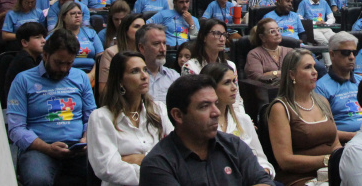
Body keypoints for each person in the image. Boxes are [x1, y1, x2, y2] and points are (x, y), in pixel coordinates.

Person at [138, 75, 273, 186]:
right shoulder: (158, 164)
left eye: (216, 103)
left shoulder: (233, 145)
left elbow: (263, 181)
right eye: (204, 106)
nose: (216, 112)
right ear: (178, 115)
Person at [7, 29, 96, 186]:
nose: (63, 69)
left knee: (103, 171)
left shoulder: (80, 77)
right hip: (40, 148)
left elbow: (91, 116)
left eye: (69, 63)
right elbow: (15, 128)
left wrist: (86, 137)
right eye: (59, 63)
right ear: (45, 55)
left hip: (77, 146)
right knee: (38, 180)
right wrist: (47, 148)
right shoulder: (23, 80)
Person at [87, 51, 173, 186]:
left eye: (145, 70)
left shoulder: (159, 109)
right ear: (120, 80)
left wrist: (139, 160)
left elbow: (174, 152)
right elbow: (107, 168)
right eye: (135, 71)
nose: (144, 76)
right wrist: (156, 170)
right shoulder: (101, 117)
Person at [267, 49, 341, 186]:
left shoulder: (323, 101)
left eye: (314, 66)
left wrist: (339, 162)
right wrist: (328, 160)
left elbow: (336, 143)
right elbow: (285, 160)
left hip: (330, 172)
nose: (314, 72)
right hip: (299, 177)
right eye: (307, 67)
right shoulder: (280, 108)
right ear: (292, 74)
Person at [199, 63, 275, 178]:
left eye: (234, 81)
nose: (234, 88)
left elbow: (261, 159)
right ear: (211, 89)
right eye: (227, 83)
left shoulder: (244, 120)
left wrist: (265, 171)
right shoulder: (200, 125)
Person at [315, 32, 362, 142]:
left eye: (354, 52)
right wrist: (354, 136)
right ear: (332, 55)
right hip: (344, 141)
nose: (352, 57)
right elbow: (323, 130)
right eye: (346, 52)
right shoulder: (320, 87)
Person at [51, 0, 103, 76]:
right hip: (65, 74)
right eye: (73, 13)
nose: (77, 16)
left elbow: (100, 57)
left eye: (79, 13)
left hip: (91, 73)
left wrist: (91, 75)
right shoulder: (55, 35)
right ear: (63, 17)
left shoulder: (91, 33)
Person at [99, 13, 145, 94]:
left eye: (143, 27)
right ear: (125, 30)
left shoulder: (146, 52)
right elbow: (103, 90)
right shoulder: (110, 53)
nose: (141, 31)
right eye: (136, 27)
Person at [3, 21, 46, 102]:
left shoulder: (37, 58)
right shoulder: (24, 60)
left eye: (43, 37)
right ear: (24, 43)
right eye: (38, 37)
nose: (43, 40)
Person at [136, 24, 179, 104]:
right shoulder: (133, 78)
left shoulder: (174, 77)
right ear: (142, 48)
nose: (163, 49)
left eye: (164, 43)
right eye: (156, 44)